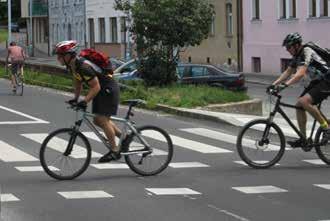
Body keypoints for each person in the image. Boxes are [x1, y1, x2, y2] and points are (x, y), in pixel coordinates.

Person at [53, 40, 124, 163]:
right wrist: (76, 98)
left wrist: (84, 101)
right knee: (97, 120)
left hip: (108, 89)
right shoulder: (73, 66)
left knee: (102, 119)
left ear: (69, 55)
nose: (58, 58)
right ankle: (125, 137)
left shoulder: (83, 66)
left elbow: (96, 86)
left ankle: (114, 150)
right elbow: (78, 81)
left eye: (60, 55)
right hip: (101, 90)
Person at [268, 32, 330, 150]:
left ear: (296, 45)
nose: (287, 50)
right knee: (299, 105)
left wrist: (283, 86)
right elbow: (288, 72)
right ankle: (304, 139)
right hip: (318, 81)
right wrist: (273, 84)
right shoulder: (297, 56)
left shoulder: (306, 51)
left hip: (328, 79)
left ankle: (326, 128)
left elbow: (300, 74)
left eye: (288, 47)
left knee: (304, 101)